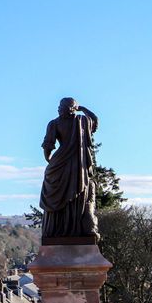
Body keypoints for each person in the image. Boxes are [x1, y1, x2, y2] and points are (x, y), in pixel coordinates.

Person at [40, 98, 99, 241]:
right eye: (60, 106)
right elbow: (95, 120)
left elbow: (48, 146)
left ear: (72, 108)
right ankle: (64, 229)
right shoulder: (65, 122)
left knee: (74, 194)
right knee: (71, 192)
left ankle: (69, 229)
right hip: (71, 162)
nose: (59, 109)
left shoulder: (79, 121)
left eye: (63, 106)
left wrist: (50, 161)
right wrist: (83, 109)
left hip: (74, 162)